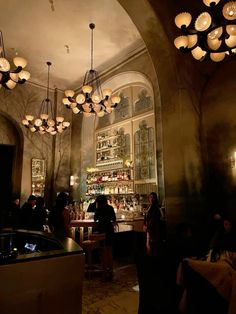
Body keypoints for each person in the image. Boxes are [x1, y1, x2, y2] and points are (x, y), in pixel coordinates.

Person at [94, 194, 116, 280]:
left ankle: (104, 272)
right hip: (109, 230)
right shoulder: (110, 208)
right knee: (109, 250)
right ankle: (110, 271)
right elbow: (114, 219)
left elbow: (95, 219)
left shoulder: (98, 209)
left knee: (102, 251)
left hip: (102, 231)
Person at [143, 192, 164, 256]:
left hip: (153, 229)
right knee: (149, 243)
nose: (151, 199)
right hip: (150, 229)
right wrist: (144, 224)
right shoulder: (150, 206)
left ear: (155, 199)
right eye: (150, 197)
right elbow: (146, 217)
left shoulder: (156, 207)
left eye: (153, 197)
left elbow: (154, 218)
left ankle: (153, 259)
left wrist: (147, 226)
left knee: (152, 244)